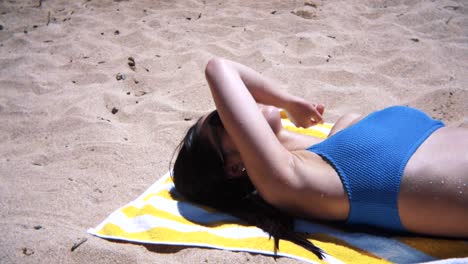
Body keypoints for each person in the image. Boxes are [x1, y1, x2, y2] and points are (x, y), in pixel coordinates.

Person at [172, 58, 468, 259]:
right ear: (234, 167)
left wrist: (289, 104)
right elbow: (218, 68)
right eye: (221, 119)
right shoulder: (286, 183)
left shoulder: (328, 149)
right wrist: (284, 100)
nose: (234, 111)